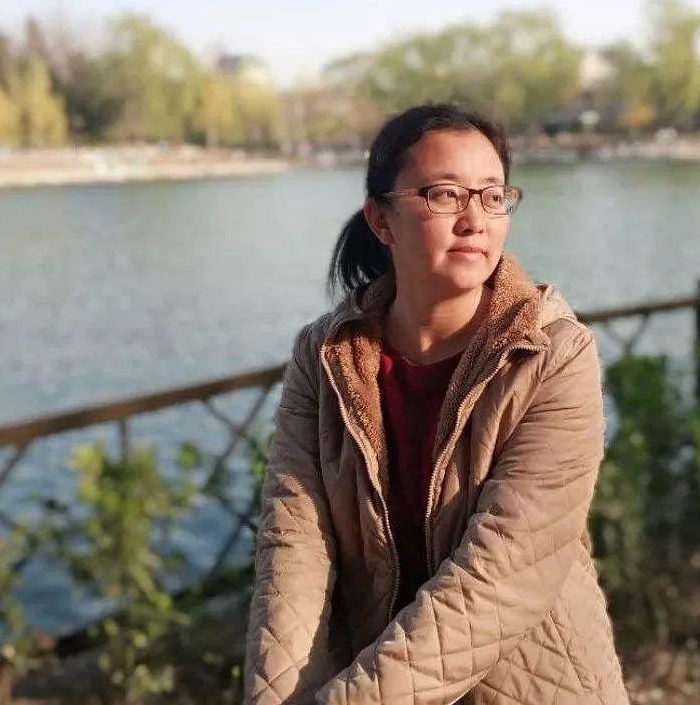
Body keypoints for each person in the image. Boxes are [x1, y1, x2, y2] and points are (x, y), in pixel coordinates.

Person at [244, 104, 629, 704]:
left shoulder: (551, 355)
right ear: (382, 219)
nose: (475, 220)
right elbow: (294, 549)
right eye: (445, 194)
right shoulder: (324, 357)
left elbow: (503, 577)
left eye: (493, 196)